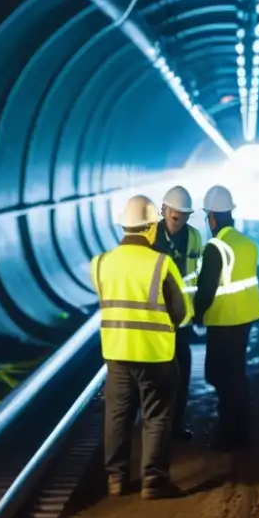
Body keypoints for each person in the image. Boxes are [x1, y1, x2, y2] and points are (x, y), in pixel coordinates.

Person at [90, 195, 186, 500]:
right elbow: (180, 311)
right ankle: (153, 482)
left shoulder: (101, 263)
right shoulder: (161, 262)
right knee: (156, 416)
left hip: (116, 355)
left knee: (117, 415)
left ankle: (116, 480)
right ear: (149, 229)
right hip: (155, 355)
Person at [191, 185, 259, 451]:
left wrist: (196, 315)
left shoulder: (216, 247)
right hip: (245, 318)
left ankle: (230, 435)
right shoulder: (246, 243)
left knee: (219, 375)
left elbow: (207, 287)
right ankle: (241, 431)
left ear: (212, 216)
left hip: (223, 320)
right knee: (235, 375)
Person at [152, 185, 204, 442]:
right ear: (164, 211)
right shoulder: (149, 237)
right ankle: (156, 431)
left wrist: (198, 311)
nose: (179, 220)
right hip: (155, 323)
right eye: (175, 215)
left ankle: (175, 427)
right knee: (155, 382)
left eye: (184, 215)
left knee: (181, 379)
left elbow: (197, 275)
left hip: (182, 323)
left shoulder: (194, 237)